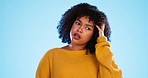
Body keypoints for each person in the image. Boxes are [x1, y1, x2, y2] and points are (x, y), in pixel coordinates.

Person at [36, 3, 122, 78]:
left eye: (88, 28)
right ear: (70, 23)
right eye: (78, 23)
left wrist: (102, 41)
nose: (80, 29)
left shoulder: (99, 59)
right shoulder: (51, 56)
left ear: (94, 34)